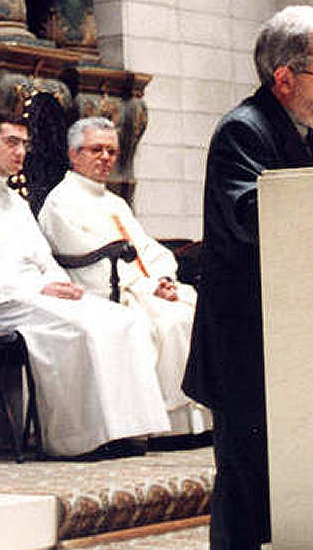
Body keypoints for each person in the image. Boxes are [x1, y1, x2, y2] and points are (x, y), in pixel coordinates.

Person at [181, 5, 313, 550]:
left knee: (294, 483)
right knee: (247, 486)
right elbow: (254, 215)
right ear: (284, 77)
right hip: (247, 342)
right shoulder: (243, 130)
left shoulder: (308, 135)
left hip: (293, 334)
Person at [0, 111, 171, 458]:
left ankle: (125, 431)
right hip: (0, 304)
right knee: (85, 328)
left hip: (38, 295)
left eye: (24, 144)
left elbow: (44, 259)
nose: (20, 152)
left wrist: (63, 285)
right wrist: (39, 290)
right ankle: (79, 440)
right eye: (11, 143)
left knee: (126, 319)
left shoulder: (15, 202)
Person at [38, 117, 210, 436]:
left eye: (112, 151)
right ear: (74, 154)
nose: (106, 158)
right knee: (172, 321)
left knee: (195, 310)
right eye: (96, 150)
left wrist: (163, 278)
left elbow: (146, 248)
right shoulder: (61, 202)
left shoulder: (114, 202)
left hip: (142, 287)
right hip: (106, 293)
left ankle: (198, 422)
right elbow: (89, 264)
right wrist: (149, 288)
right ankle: (170, 426)